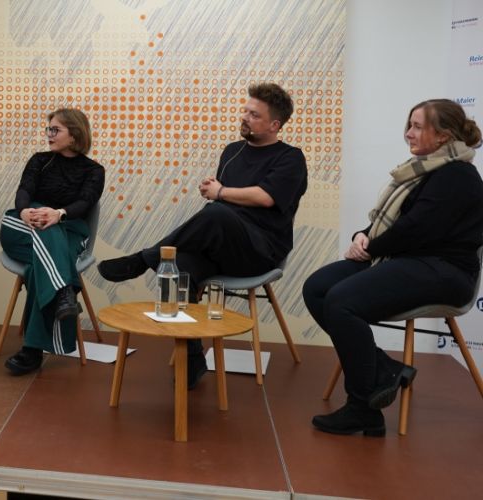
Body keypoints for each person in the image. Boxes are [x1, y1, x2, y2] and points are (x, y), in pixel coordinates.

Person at [98, 83, 308, 389]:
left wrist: (220, 192)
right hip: (222, 246)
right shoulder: (232, 152)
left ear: (275, 124)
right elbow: (224, 201)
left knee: (216, 213)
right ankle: (193, 356)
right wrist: (214, 191)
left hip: (259, 252)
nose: (245, 117)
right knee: (179, 266)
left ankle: (144, 258)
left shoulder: (290, 158)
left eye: (254, 114)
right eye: (246, 110)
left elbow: (265, 198)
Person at [303, 99, 483, 437]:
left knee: (341, 301)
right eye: (409, 124)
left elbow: (416, 228)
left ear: (443, 135)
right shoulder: (424, 169)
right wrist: (363, 236)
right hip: (408, 259)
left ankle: (363, 409)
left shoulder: (457, 175)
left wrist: (369, 246)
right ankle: (384, 367)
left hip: (444, 271)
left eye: (418, 126)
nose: (408, 133)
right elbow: (394, 224)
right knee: (317, 288)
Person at [0, 108, 105, 375]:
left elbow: (85, 202)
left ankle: (32, 351)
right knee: (23, 226)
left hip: (69, 230)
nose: (49, 134)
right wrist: (24, 211)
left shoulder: (94, 170)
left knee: (40, 268)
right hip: (25, 226)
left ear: (74, 135)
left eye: (55, 130)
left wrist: (58, 214)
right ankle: (65, 291)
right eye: (49, 129)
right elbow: (25, 189)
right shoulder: (39, 160)